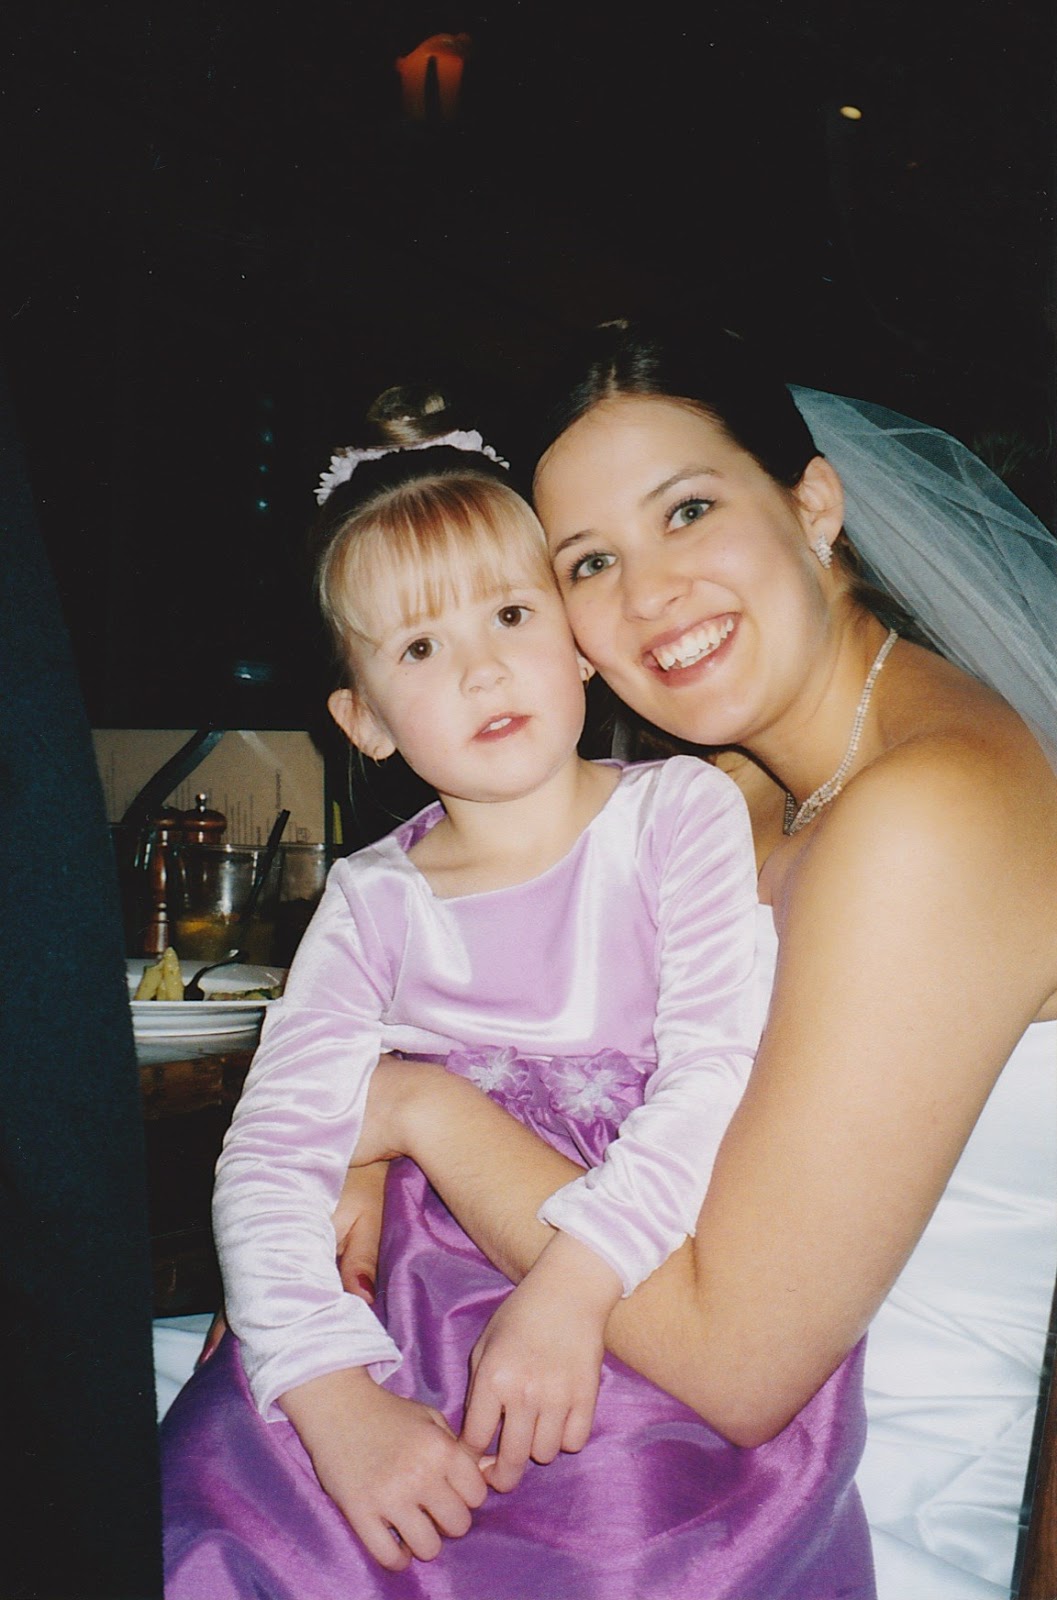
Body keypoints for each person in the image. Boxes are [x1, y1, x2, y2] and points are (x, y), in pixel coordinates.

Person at [337, 323, 1057, 1600]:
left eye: (686, 511)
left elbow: (736, 1360)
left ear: (813, 503)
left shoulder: (930, 810)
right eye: (590, 561)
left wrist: (411, 1113)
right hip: (635, 1416)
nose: (650, 594)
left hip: (844, 1506)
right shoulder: (725, 787)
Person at [161, 388, 873, 1599]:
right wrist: (331, 1396)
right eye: (420, 647)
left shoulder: (678, 812)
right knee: (221, 1504)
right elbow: (273, 1149)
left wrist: (569, 1293)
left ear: (577, 640)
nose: (483, 665)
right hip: (406, 1305)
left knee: (617, 1528)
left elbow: (715, 1076)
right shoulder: (370, 899)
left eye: (509, 612)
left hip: (634, 1264)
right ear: (363, 719)